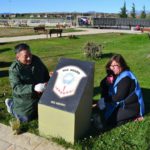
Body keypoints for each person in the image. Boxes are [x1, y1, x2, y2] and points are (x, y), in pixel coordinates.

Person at [5, 43, 49, 122]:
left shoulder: (36, 60)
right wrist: (33, 88)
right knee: (25, 118)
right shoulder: (14, 69)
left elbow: (45, 73)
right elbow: (16, 88)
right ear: (18, 57)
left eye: (30, 54)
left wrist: (49, 79)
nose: (29, 58)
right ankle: (11, 104)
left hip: (40, 94)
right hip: (25, 98)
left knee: (50, 110)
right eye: (26, 56)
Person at [98, 54, 145, 126]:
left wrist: (104, 100)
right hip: (120, 104)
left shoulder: (126, 77)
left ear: (121, 65)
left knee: (111, 122)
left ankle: (136, 116)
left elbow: (119, 97)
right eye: (110, 66)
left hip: (131, 106)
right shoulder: (113, 74)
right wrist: (106, 82)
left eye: (114, 65)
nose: (112, 68)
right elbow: (101, 84)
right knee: (106, 117)